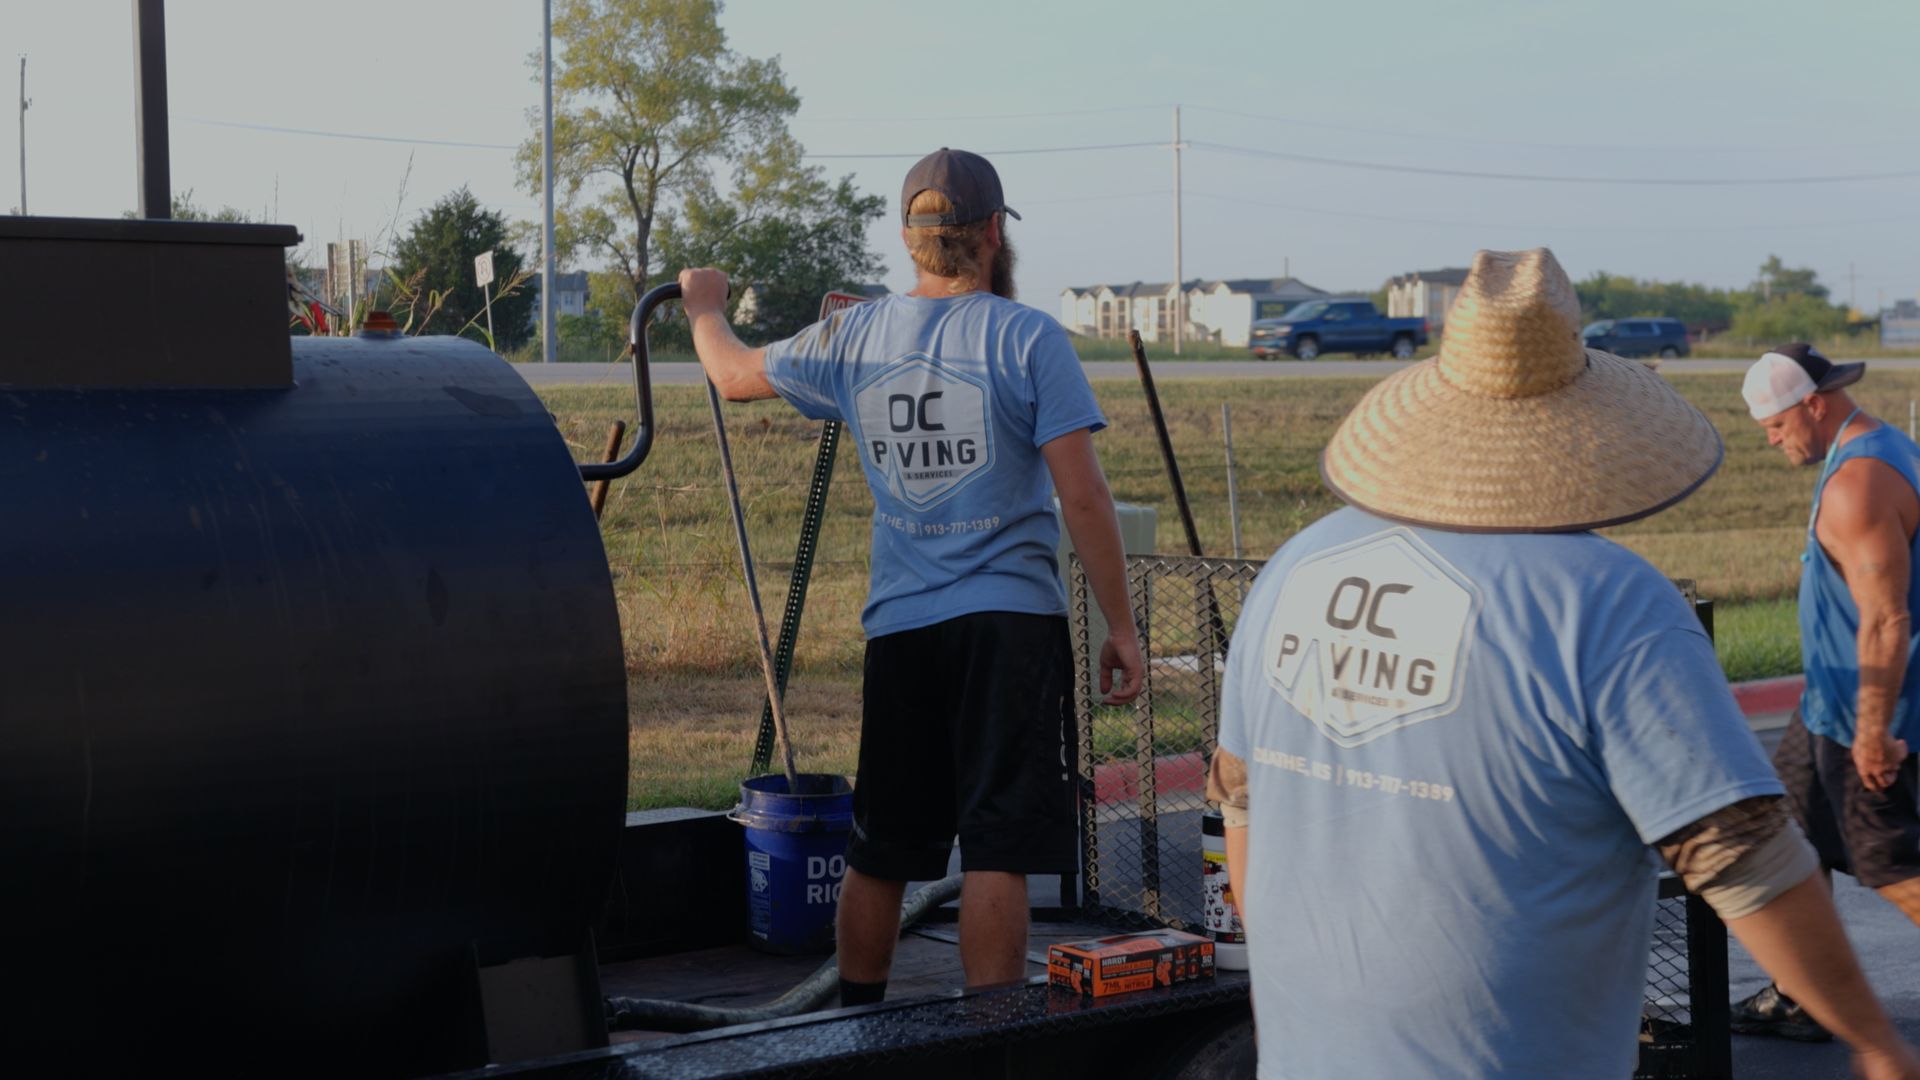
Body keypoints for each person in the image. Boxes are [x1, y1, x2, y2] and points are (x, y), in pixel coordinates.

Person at [1205, 249, 1920, 1079]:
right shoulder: (1610, 604)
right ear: (1585, 424)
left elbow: (1239, 803)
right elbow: (1747, 861)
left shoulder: (1294, 568)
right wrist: (1876, 1042)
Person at [678, 148, 1144, 1006]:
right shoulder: (1029, 337)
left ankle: (857, 1022)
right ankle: (990, 1031)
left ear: (908, 238)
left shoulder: (856, 336)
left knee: (884, 843)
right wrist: (1120, 626)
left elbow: (732, 374)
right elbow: (1082, 496)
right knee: (998, 847)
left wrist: (706, 307)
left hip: (902, 628)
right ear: (994, 233)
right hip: (1011, 626)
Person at [1732, 344, 1920, 1042]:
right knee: (1789, 835)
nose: (1775, 442)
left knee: (1890, 862)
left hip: (1874, 713)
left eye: (1778, 427)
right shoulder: (1877, 448)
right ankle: (1800, 991)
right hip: (1826, 705)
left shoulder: (1858, 483)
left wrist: (1873, 733)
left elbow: (1886, 617)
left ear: (1814, 404)